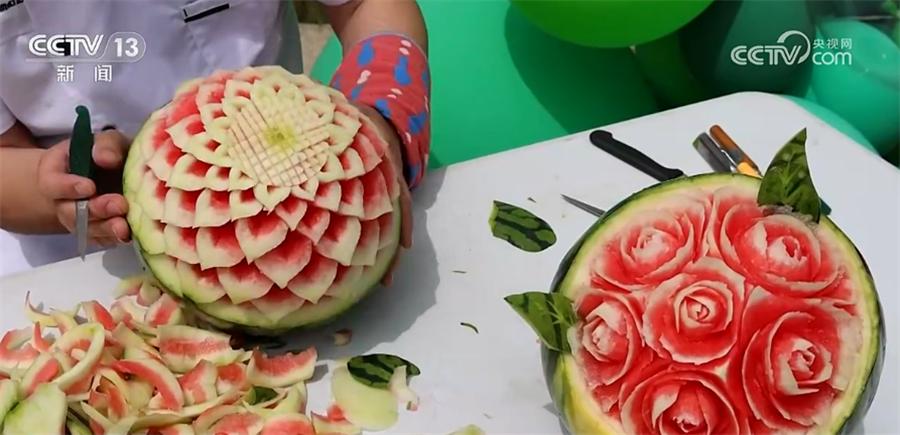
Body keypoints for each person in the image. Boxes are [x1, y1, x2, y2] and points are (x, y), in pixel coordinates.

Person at [0, 0, 430, 277]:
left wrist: (381, 119)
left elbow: (364, 6)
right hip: (70, 262)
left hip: (305, 212)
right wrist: (52, 189)